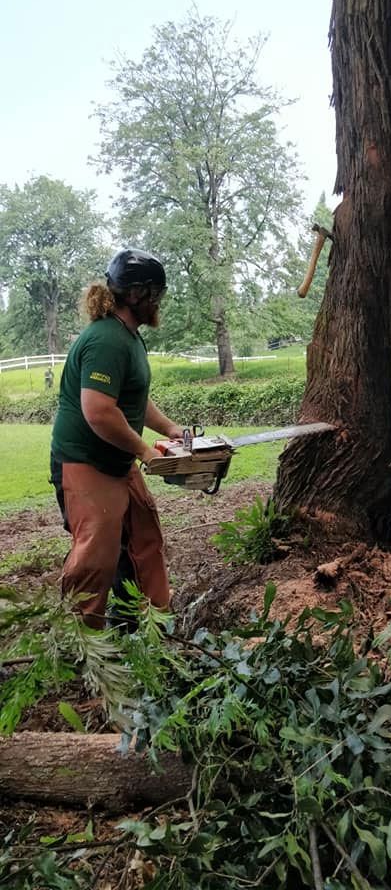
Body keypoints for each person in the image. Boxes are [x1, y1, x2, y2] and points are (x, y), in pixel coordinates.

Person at [50, 248, 185, 628]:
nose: (159, 301)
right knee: (95, 557)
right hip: (85, 462)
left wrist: (170, 430)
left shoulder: (127, 337)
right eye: (156, 293)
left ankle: (154, 625)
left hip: (117, 461)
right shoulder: (107, 339)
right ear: (138, 294)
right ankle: (81, 644)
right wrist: (145, 451)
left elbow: (133, 398)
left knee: (144, 539)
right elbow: (99, 411)